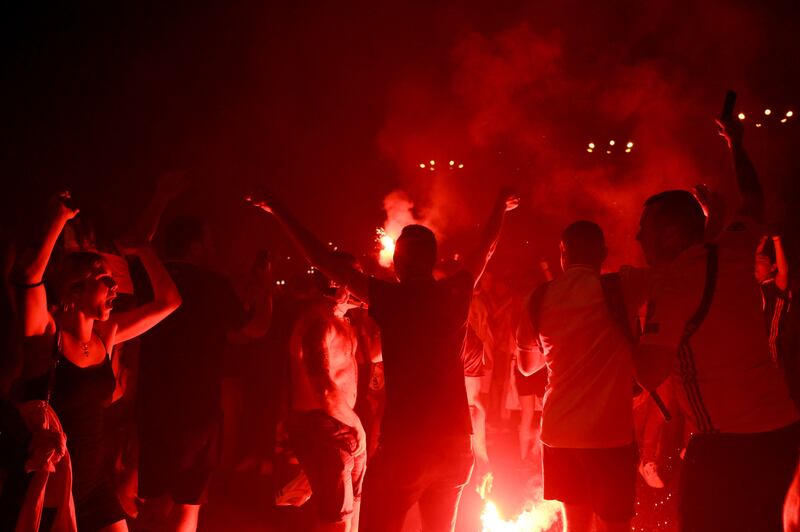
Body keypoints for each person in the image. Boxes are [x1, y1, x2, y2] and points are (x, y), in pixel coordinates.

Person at [248, 187, 519, 532]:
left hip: (407, 446)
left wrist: (277, 208)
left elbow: (321, 260)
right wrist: (500, 208)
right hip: (454, 446)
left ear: (398, 264)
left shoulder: (389, 298)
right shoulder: (456, 292)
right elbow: (486, 248)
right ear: (432, 261)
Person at [635, 114, 800, 531]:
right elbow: (754, 199)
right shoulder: (732, 247)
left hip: (726, 443)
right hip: (780, 432)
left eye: (646, 230)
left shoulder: (670, 288)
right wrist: (737, 144)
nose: (639, 239)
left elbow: (648, 374)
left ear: (671, 234)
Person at [13, 192, 182, 532]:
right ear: (74, 290)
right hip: (49, 485)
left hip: (93, 486)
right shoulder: (47, 334)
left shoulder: (107, 335)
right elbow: (30, 277)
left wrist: (142, 249)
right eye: (105, 280)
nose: (114, 286)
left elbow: (169, 301)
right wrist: (59, 220)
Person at [517, 221, 650, 532]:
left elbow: (526, 366)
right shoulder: (623, 286)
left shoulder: (540, 297)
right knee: (613, 526)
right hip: (609, 434)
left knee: (575, 526)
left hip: (559, 433)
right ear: (603, 253)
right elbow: (677, 274)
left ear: (562, 254)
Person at [287, 261, 365, 531]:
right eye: (355, 279)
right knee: (337, 520)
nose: (362, 284)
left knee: (350, 511)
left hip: (342, 426)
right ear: (337, 284)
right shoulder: (317, 322)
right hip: (323, 426)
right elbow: (324, 390)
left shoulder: (338, 319)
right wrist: (357, 427)